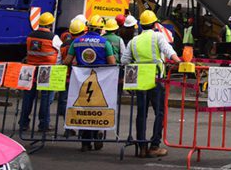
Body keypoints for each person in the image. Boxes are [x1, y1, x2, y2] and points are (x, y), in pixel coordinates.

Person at [122, 10, 181, 158]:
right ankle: (155, 146)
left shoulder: (133, 41)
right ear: (155, 24)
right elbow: (169, 51)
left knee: (141, 113)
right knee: (159, 112)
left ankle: (142, 146)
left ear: (141, 25)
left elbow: (124, 61)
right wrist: (180, 62)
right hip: (155, 80)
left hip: (139, 81)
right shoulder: (158, 36)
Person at [64, 16, 116, 152]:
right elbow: (112, 63)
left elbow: (67, 61)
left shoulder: (76, 41)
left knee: (83, 109)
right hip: (100, 81)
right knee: (97, 110)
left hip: (80, 81)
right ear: (100, 29)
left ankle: (85, 142)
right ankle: (97, 135)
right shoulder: (105, 43)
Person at [19, 12, 61, 133]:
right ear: (50, 24)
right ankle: (43, 124)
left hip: (31, 70)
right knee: (45, 98)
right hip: (46, 71)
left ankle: (23, 124)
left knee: (28, 98)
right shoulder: (53, 38)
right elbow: (60, 53)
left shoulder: (30, 36)